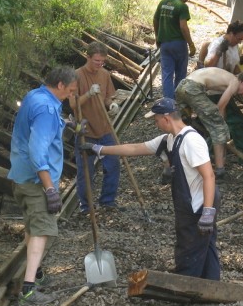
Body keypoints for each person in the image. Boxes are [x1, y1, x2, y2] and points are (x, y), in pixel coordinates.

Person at [82, 98, 221, 279]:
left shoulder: (192, 141)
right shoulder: (168, 139)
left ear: (166, 118)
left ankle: (187, 285)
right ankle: (211, 282)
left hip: (199, 203)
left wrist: (208, 212)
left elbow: (208, 175)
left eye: (156, 120)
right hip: (188, 202)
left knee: (189, 246)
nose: (155, 124)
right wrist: (99, 149)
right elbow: (135, 148)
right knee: (206, 243)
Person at [8, 66, 78, 305]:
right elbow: (38, 151)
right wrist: (50, 188)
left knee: (32, 227)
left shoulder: (34, 96)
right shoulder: (48, 109)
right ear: (60, 85)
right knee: (42, 231)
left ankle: (35, 273)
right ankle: (28, 288)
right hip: (37, 181)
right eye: (69, 90)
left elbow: (38, 126)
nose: (70, 95)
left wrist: (65, 124)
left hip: (21, 176)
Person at [174, 68, 243, 179]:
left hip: (181, 87)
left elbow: (220, 110)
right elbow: (220, 107)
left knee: (179, 126)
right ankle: (220, 170)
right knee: (219, 129)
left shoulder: (225, 80)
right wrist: (220, 128)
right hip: (192, 88)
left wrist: (220, 124)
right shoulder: (234, 82)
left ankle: (171, 166)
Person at [74, 42, 122, 213]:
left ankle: (107, 201)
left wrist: (112, 105)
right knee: (86, 171)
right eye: (96, 61)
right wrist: (88, 94)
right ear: (88, 57)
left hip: (104, 128)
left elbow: (108, 97)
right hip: (85, 131)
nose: (99, 64)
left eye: (102, 61)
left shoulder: (105, 74)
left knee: (114, 164)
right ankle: (86, 207)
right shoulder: (77, 76)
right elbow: (74, 104)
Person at [154, 0, 196, 99]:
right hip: (178, 44)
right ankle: (179, 97)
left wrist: (157, 36)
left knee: (167, 73)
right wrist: (191, 44)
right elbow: (183, 27)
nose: (188, 0)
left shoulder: (162, 3)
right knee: (180, 73)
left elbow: (155, 20)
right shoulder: (182, 6)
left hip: (164, 44)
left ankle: (168, 100)